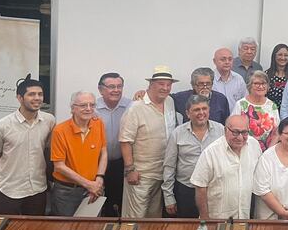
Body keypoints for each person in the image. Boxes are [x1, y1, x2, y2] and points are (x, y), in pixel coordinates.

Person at [0, 74, 55, 215]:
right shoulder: (1, 126)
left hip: (37, 188)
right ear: (19, 98)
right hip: (9, 189)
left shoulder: (49, 121)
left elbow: (48, 149)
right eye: (31, 94)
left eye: (40, 94)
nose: (37, 98)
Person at [119, 65, 180, 218]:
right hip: (141, 175)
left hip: (163, 173)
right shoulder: (135, 108)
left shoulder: (170, 102)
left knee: (154, 219)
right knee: (134, 219)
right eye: (161, 84)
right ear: (151, 84)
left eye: (168, 84)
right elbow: (125, 141)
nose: (165, 88)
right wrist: (130, 169)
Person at [162, 95, 224, 218]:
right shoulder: (177, 134)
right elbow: (169, 166)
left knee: (213, 228)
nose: (201, 113)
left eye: (204, 108)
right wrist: (168, 197)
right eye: (196, 110)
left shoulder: (221, 130)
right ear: (188, 113)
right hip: (187, 191)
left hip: (214, 190)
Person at [191, 114, 262, 220]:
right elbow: (200, 187)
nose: (240, 137)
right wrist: (205, 220)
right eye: (235, 132)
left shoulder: (254, 146)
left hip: (245, 217)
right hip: (217, 220)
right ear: (225, 130)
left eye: (244, 132)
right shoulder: (210, 153)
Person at [50, 91, 108, 216]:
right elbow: (59, 166)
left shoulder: (99, 124)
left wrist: (99, 178)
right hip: (67, 192)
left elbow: (103, 152)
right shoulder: (60, 131)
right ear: (73, 108)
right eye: (83, 105)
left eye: (92, 105)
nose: (88, 109)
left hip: (94, 188)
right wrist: (89, 185)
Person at [95, 72, 131, 216]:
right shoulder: (92, 108)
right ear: (100, 89)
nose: (116, 90)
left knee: (118, 202)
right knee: (96, 201)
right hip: (96, 163)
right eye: (111, 87)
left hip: (120, 162)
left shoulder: (131, 106)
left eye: (119, 86)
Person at [231, 71, 280, 152]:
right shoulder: (240, 104)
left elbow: (276, 132)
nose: (260, 86)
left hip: (267, 151)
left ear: (268, 86)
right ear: (249, 86)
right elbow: (233, 129)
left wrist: (268, 152)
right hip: (244, 149)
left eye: (264, 83)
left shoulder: (272, 106)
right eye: (256, 83)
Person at [266, 43, 288, 107]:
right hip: (271, 112)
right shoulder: (266, 75)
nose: (283, 58)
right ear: (274, 56)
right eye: (280, 55)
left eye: (286, 55)